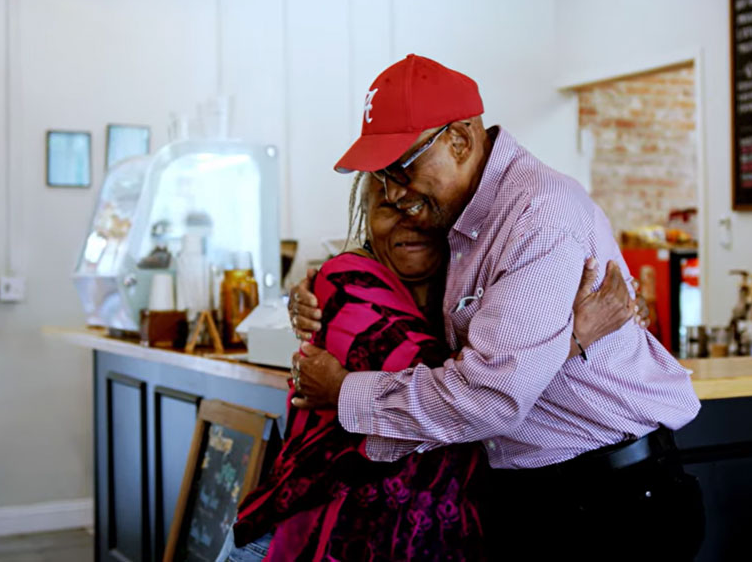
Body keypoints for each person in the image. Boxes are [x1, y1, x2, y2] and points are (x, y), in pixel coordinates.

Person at [290, 54, 705, 560]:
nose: (395, 195)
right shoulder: (466, 223)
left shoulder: (537, 218)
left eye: (400, 168)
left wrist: (341, 392)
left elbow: (489, 395)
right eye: (380, 180)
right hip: (536, 499)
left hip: (608, 505)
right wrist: (568, 343)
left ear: (460, 140)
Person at [227, 170, 636, 561]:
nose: (410, 220)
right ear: (366, 220)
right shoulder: (346, 281)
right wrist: (574, 337)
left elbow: (489, 378)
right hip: (313, 538)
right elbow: (472, 392)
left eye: (423, 205)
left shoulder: (463, 299)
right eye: (388, 208)